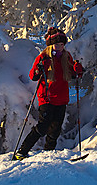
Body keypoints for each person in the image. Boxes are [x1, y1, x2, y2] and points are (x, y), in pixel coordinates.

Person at [14, 27, 84, 159]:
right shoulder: (43, 57)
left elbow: (73, 74)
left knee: (56, 129)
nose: (60, 47)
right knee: (43, 127)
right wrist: (38, 69)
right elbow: (33, 76)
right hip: (46, 97)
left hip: (61, 97)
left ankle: (48, 153)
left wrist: (78, 70)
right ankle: (22, 151)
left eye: (62, 44)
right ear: (51, 45)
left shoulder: (66, 56)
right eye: (57, 44)